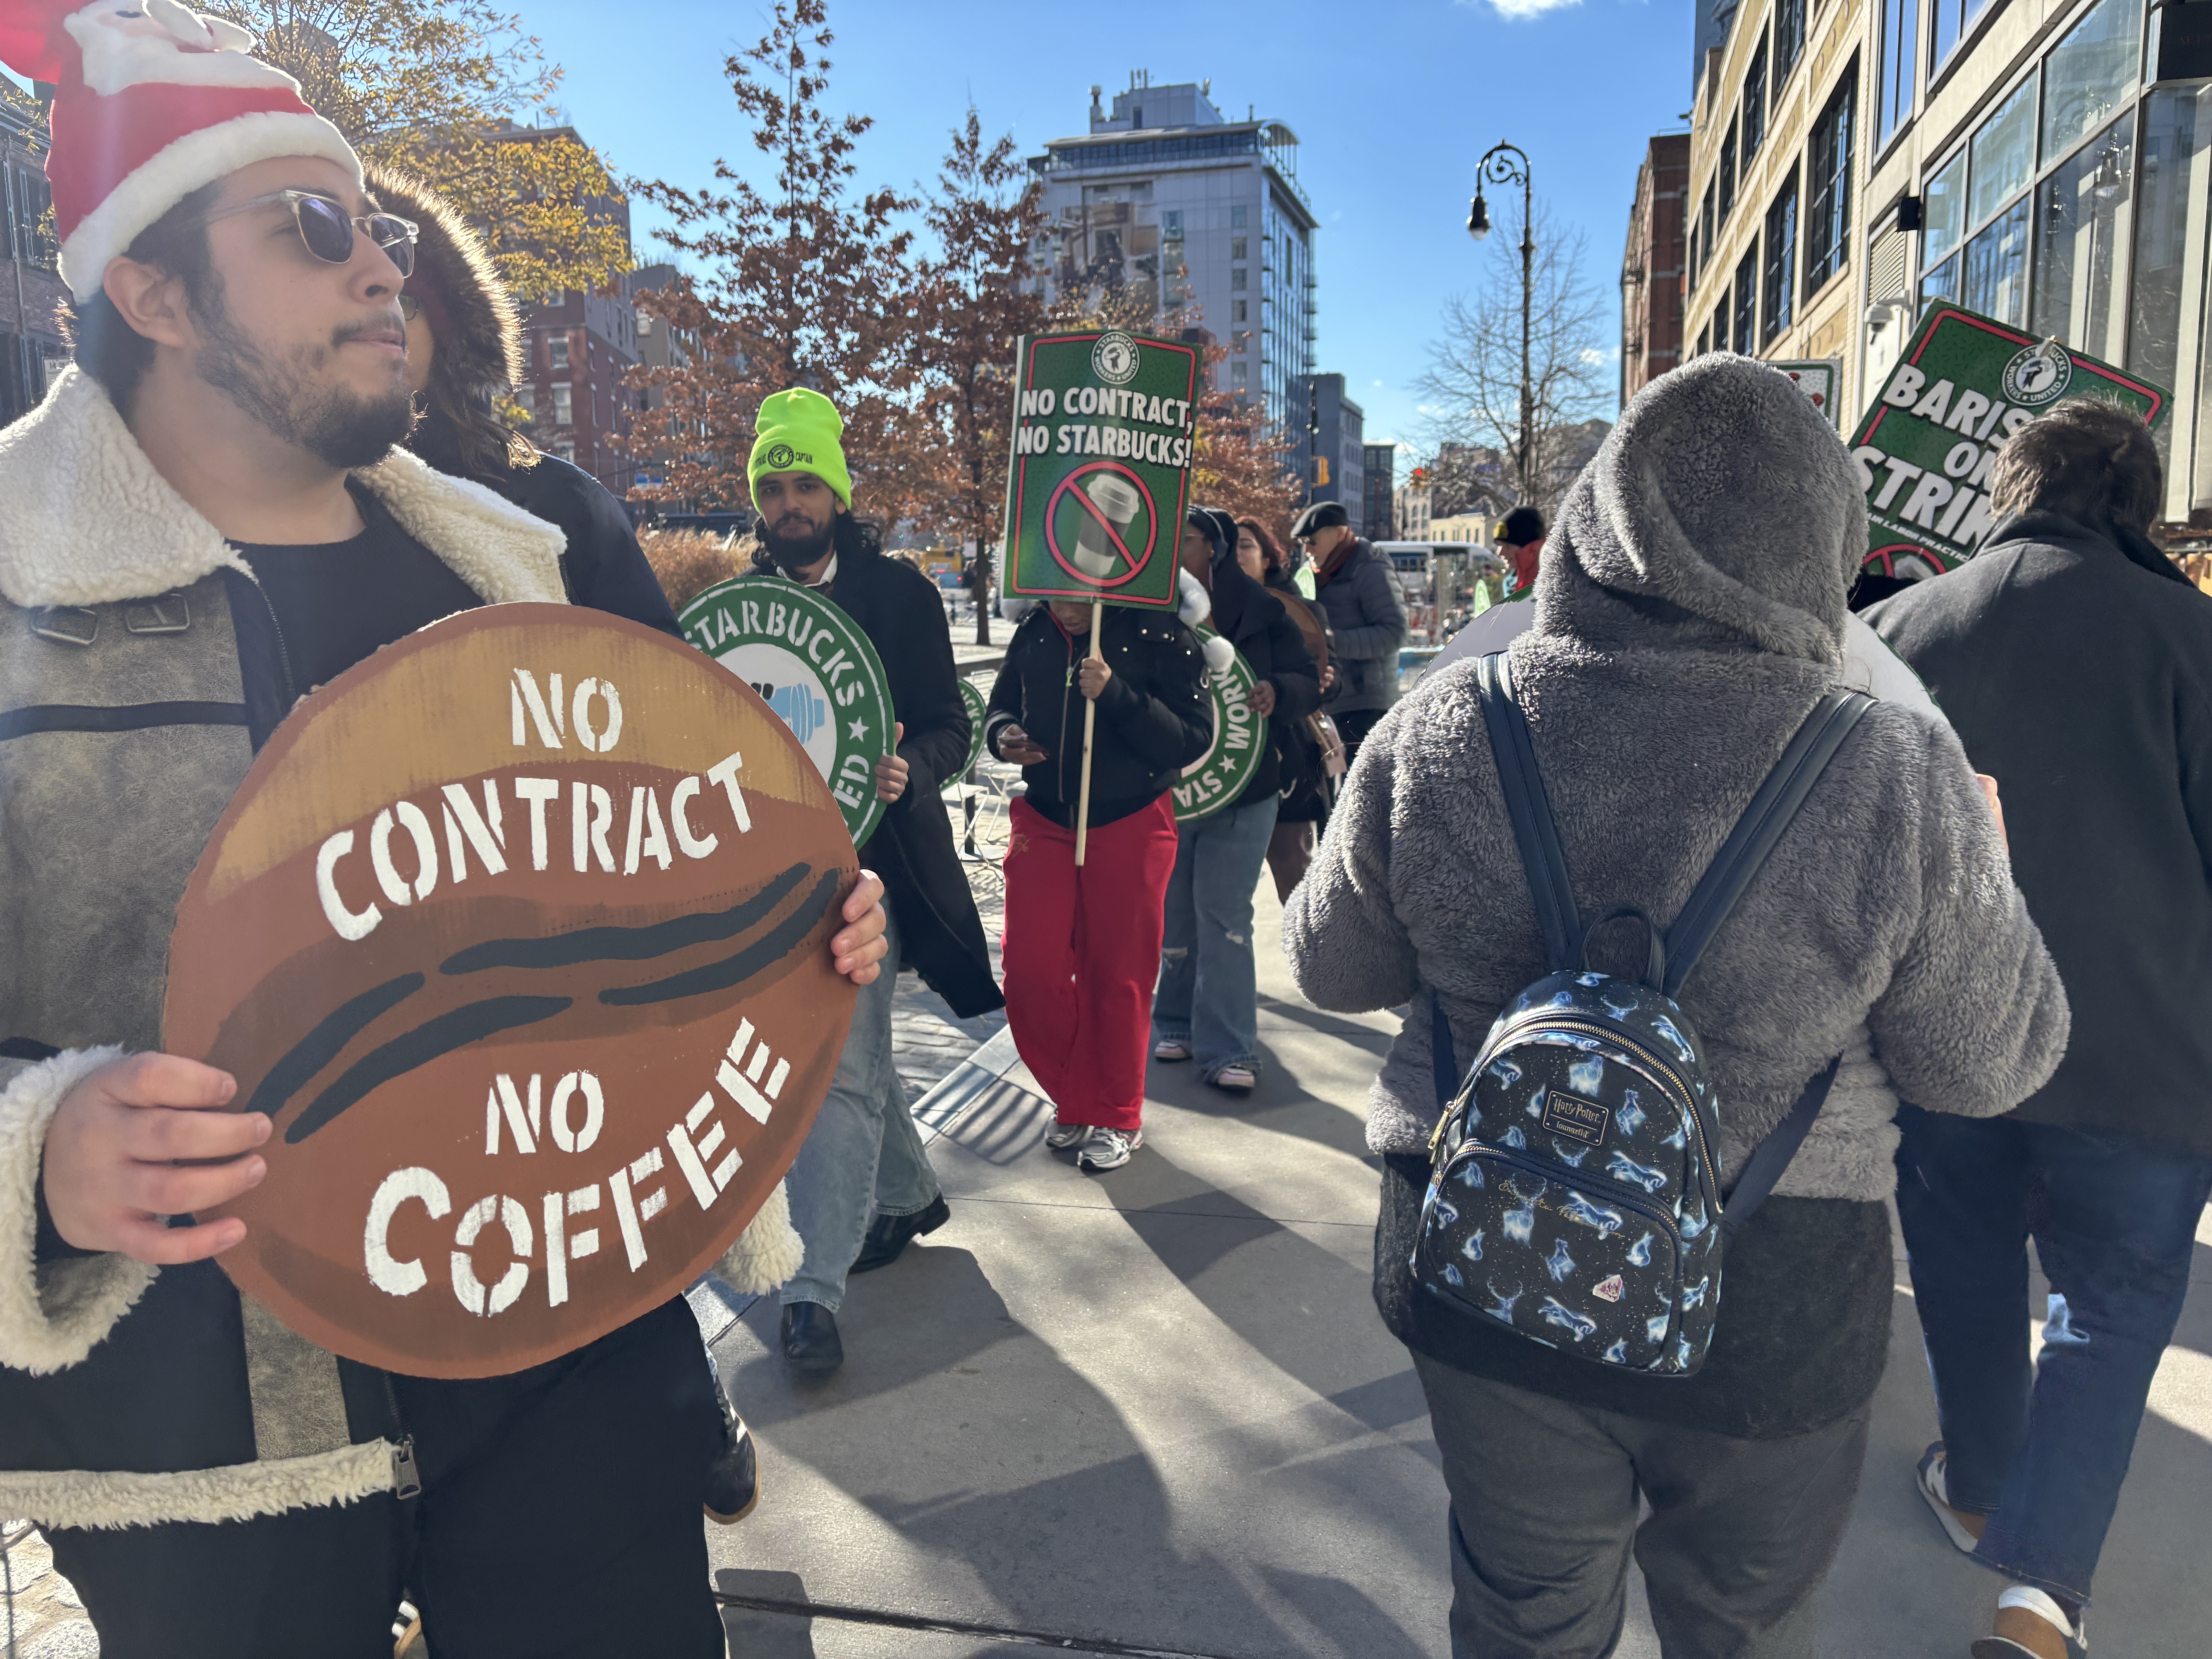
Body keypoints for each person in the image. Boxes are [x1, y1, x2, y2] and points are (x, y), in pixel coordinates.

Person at [0, 19, 888, 1657]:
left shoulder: (517, 569)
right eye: (315, 229)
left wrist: (794, 935)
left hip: (563, 1356)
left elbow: (668, 899)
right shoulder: (15, 596)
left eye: (385, 231)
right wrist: (38, 1151)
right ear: (154, 290)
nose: (383, 271)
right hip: (214, 1439)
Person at [1283, 355, 2068, 1659]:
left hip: (1483, 1266)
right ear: (1826, 545)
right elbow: (1987, 1065)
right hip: (1774, 1302)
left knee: (1522, 1618)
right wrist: (1988, 869)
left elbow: (1331, 969)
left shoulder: (1442, 725)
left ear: (1591, 527)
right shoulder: (1894, 766)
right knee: (1744, 1630)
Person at [378, 167, 768, 1528]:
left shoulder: (549, 505)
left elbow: (677, 739)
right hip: (367, 1003)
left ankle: (672, 1397)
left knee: (585, 1231)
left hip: (554, 975)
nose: (364, 299)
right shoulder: (242, 525)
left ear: (450, 315)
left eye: (392, 273)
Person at [1867, 398, 2212, 1659]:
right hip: (2148, 1056)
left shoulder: (1897, 633)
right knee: (2109, 1316)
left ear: (2005, 493)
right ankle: (2038, 1606)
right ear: (2139, 501)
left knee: (1960, 1265)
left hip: (1950, 1037)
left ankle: (1972, 1484)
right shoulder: (2194, 639)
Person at [737, 388, 1004, 1382]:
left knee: (842, 1067)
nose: (790, 501)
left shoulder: (901, 595)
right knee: (861, 1059)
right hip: (772, 883)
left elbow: (951, 723)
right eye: (773, 484)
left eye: (806, 481)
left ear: (838, 492)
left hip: (876, 876)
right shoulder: (742, 610)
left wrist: (913, 769)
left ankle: (812, 1293)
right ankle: (906, 1195)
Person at [985, 579, 1210, 1171]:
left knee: (1118, 977)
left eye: (1080, 595)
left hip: (1131, 819)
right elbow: (1002, 705)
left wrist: (1115, 694)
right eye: (1054, 593)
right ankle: (1081, 1097)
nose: (1065, 608)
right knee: (1029, 970)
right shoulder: (1034, 629)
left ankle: (1114, 1114)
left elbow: (1191, 738)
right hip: (1044, 817)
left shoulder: (1162, 632)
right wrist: (1003, 735)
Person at [1152, 510, 1317, 1091]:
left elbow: (1310, 675)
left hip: (1247, 790)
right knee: (1175, 915)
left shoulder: (1267, 610)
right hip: (1173, 791)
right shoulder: (1150, 613)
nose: (1175, 553)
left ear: (1214, 550)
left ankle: (1230, 1050)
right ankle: (1172, 1022)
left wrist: (1280, 691)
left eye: (1187, 541)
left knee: (1223, 917)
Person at [1240, 515, 1336, 900]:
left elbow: (1330, 672)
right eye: (1227, 548)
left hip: (1288, 764)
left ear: (1268, 559)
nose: (1236, 555)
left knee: (1293, 874)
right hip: (1227, 764)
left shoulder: (1301, 611)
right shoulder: (1202, 611)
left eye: (1246, 546)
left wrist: (1322, 684)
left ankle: (1312, 957)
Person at [1293, 498, 1406, 770]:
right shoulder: (1317, 573)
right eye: (1302, 543)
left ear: (1340, 533)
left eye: (1312, 540)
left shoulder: (1371, 570)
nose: (1307, 549)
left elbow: (1395, 633)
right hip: (1336, 701)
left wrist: (1331, 643)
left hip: (1367, 704)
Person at [1497, 504, 1547, 598]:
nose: (1500, 553)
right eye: (1499, 546)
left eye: (1508, 545)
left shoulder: (1555, 578)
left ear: (1531, 547)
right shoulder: (1510, 584)